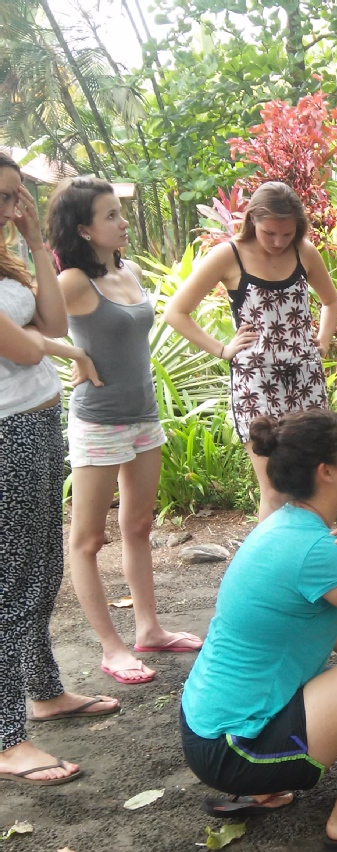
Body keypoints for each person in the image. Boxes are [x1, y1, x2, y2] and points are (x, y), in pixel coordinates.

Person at [180, 408, 337, 851]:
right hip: (238, 748)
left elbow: (323, 625)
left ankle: (267, 785)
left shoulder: (283, 525)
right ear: (327, 472)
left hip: (207, 733)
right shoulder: (319, 549)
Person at [45, 177, 201, 687]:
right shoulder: (71, 281)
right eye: (110, 216)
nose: (123, 222)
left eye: (119, 213)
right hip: (97, 421)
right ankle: (111, 646)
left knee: (138, 527)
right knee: (88, 539)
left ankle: (148, 629)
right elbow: (27, 329)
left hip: (143, 417)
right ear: (83, 228)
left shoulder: (128, 270)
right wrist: (73, 354)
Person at [0, 153, 119, 787]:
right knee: (14, 580)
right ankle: (5, 734)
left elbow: (48, 320)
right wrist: (63, 348)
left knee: (41, 567)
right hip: (6, 434)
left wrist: (30, 242)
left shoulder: (10, 257)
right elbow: (24, 347)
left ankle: (44, 691)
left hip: (38, 422)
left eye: (18, 196)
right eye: (3, 198)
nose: (12, 207)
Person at [164, 181, 337, 521]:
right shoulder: (227, 255)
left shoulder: (304, 251)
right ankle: (273, 571)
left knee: (314, 482)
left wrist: (323, 339)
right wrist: (222, 350)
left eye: (287, 234)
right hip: (255, 383)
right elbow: (176, 312)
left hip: (306, 379)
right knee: (275, 488)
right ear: (251, 221)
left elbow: (331, 302)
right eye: (269, 233)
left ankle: (316, 565)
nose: (278, 242)